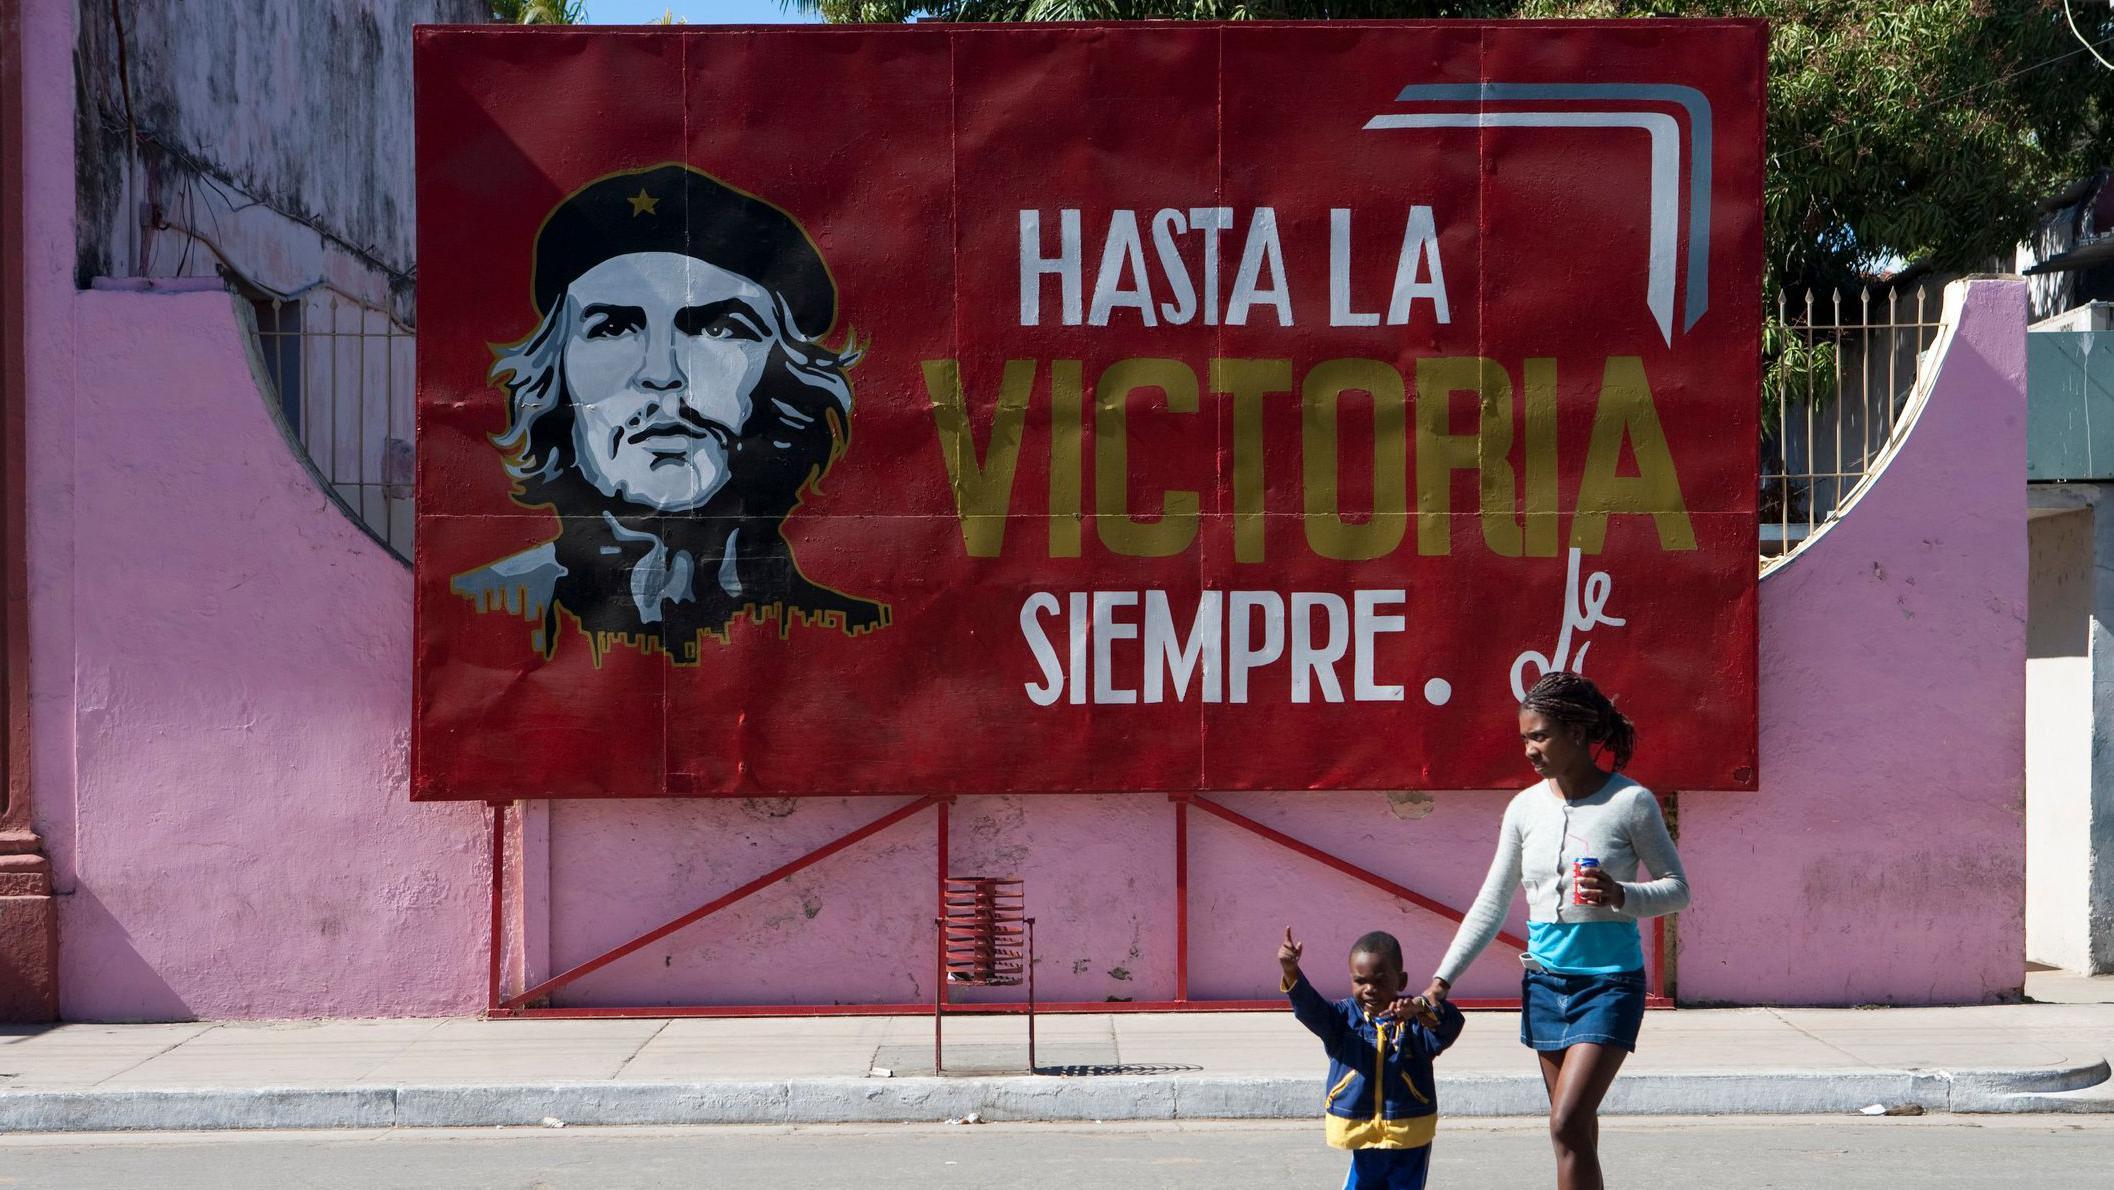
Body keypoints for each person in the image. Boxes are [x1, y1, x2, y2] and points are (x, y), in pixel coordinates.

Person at [451, 163, 889, 664]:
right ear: (552, 375)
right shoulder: (477, 616)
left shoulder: (854, 641)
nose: (663, 374)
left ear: (785, 381)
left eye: (718, 329)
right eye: (613, 327)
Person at [1402, 671, 1689, 1190]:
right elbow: (1491, 903)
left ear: (1576, 734)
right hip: (1545, 985)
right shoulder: (1524, 808)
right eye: (1525, 739)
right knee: (1572, 1135)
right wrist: (1440, 983)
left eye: (1539, 736)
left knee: (1568, 1121)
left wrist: (1624, 895)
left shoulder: (1631, 803)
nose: (1530, 750)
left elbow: (1678, 889)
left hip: (1609, 984)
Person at [1279, 926, 1465, 1190]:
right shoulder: (1342, 1021)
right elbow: (1310, 1009)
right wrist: (1291, 972)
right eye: (1360, 980)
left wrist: (1423, 1009)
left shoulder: (1413, 1021)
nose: (1369, 989)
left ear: (1400, 981)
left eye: (1379, 981)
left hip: (1410, 1132)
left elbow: (1450, 1026)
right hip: (1362, 1131)